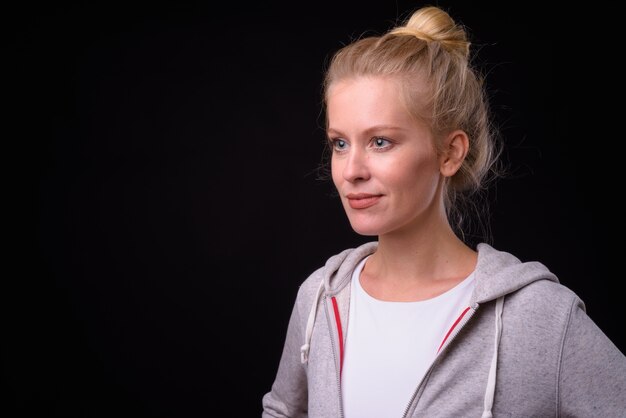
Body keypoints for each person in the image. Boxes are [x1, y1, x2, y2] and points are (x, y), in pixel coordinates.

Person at [261, 5, 626, 417]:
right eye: (340, 143)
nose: (351, 171)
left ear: (449, 153)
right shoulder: (319, 299)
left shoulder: (537, 316)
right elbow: (282, 409)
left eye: (381, 141)